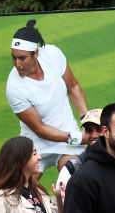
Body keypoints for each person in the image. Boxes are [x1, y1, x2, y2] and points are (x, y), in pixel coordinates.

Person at [6, 19, 88, 171]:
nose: (17, 63)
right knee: (21, 193)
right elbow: (40, 128)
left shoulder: (52, 54)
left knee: (74, 180)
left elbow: (73, 86)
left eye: (22, 58)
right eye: (14, 57)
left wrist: (88, 122)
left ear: (35, 53)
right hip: (35, 147)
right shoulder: (13, 88)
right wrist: (80, 137)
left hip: (68, 145)